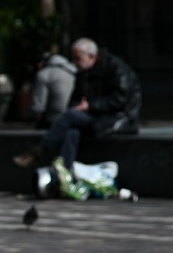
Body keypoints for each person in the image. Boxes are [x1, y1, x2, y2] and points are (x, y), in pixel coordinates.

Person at [13, 37, 141, 171]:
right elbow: (74, 101)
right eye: (73, 58)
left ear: (91, 56)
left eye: (77, 58)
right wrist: (81, 107)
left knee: (71, 116)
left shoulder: (116, 68)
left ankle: (40, 151)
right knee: (71, 131)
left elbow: (121, 99)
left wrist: (90, 106)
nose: (74, 63)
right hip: (96, 117)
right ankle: (64, 175)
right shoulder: (84, 73)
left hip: (119, 118)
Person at [30, 50, 77, 130]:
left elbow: (38, 107)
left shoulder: (44, 74)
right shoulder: (75, 70)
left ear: (40, 64)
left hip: (54, 120)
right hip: (75, 117)